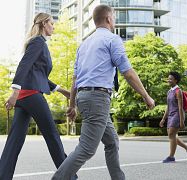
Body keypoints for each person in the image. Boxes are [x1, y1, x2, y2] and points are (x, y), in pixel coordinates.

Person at [51, 5, 155, 180]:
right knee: (87, 148)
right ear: (108, 18)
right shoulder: (112, 39)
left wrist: (72, 105)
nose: (114, 20)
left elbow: (75, 79)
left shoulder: (84, 45)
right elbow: (128, 72)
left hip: (86, 98)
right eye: (114, 17)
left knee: (112, 142)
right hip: (97, 98)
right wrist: (146, 96)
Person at [0, 13, 76, 180]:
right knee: (52, 136)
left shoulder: (38, 43)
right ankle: (69, 177)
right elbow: (24, 65)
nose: (53, 27)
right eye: (52, 23)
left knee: (14, 141)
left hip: (25, 98)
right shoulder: (38, 42)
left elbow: (38, 75)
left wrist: (62, 90)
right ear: (43, 24)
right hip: (32, 95)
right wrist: (14, 92)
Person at [159, 72, 187, 163]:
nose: (168, 80)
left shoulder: (178, 91)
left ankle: (171, 157)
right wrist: (163, 119)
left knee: (171, 135)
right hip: (170, 115)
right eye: (168, 78)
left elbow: (180, 107)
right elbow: (168, 107)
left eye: (171, 79)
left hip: (177, 115)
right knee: (171, 135)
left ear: (176, 80)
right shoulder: (169, 91)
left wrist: (182, 121)